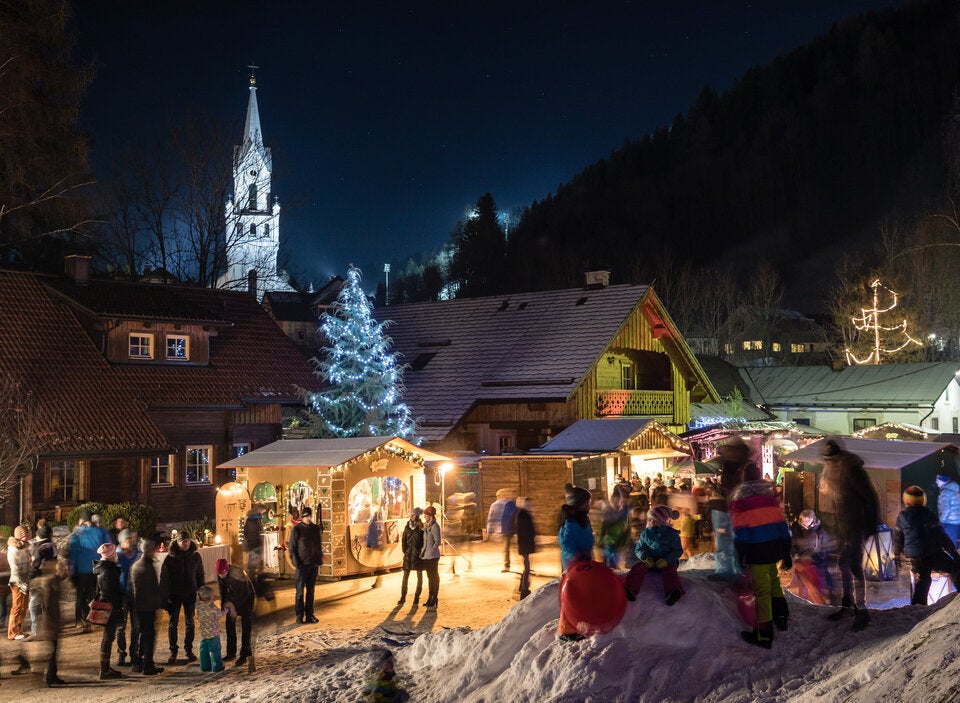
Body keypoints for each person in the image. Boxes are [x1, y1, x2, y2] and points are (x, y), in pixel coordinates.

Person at [819, 438, 879, 631]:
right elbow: (831, 501)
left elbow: (870, 498)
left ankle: (861, 609)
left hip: (856, 523)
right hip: (842, 526)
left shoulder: (852, 471)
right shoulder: (831, 472)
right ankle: (848, 603)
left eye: (832, 459)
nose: (829, 462)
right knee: (842, 564)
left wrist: (871, 525)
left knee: (853, 565)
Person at [729, 480, 792, 648]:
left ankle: (764, 635)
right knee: (774, 584)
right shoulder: (772, 505)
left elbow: (740, 537)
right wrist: (786, 555)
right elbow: (784, 531)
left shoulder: (741, 507)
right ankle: (781, 618)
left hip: (756, 554)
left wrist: (739, 558)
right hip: (774, 552)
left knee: (762, 593)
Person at [893, 486, 960, 606]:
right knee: (955, 567)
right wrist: (953, 552)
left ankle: (918, 608)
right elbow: (941, 535)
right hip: (934, 554)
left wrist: (896, 555)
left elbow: (898, 539)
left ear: (906, 501)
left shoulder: (902, 517)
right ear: (923, 500)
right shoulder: (929, 514)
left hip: (917, 558)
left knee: (922, 583)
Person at [712, 437, 762, 580]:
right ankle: (725, 572)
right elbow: (726, 489)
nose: (728, 454)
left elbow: (753, 491)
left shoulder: (748, 468)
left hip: (741, 511)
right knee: (725, 541)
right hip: (728, 510)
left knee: (739, 542)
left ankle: (741, 574)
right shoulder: (728, 466)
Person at [624, 505, 684, 606]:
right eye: (649, 519)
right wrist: (645, 557)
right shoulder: (645, 533)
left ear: (661, 521)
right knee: (638, 567)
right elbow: (639, 548)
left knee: (670, 572)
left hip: (667, 562)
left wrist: (667, 560)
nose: (650, 521)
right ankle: (631, 588)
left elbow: (677, 550)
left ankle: (673, 592)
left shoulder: (672, 534)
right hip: (650, 562)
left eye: (654, 519)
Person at [159, 533, 205, 663]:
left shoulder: (195, 557)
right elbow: (164, 578)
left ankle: (188, 649)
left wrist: (202, 591)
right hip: (174, 594)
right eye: (183, 542)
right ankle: (173, 650)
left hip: (190, 593)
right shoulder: (170, 558)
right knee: (173, 623)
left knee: (190, 621)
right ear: (177, 543)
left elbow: (200, 574)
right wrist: (164, 596)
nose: (185, 544)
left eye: (187, 541)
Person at [557, 486, 594, 642]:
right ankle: (566, 630)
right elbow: (566, 542)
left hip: (583, 561)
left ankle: (578, 624)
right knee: (572, 596)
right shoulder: (571, 521)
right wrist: (577, 556)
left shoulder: (582, 518)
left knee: (582, 595)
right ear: (578, 504)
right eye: (586, 503)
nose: (589, 505)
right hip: (573, 563)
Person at [67, 512, 110, 629]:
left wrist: (71, 569)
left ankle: (79, 620)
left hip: (81, 569)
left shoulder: (78, 533)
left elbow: (73, 552)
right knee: (94, 594)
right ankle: (92, 618)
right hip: (97, 568)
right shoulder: (101, 531)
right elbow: (109, 547)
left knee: (80, 595)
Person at [129, 539, 164, 675]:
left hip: (141, 607)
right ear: (149, 551)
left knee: (144, 635)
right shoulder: (144, 567)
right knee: (148, 635)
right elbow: (150, 589)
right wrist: (156, 604)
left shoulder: (139, 565)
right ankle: (147, 664)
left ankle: (140, 662)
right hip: (146, 607)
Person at [215, 557, 255, 666]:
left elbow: (243, 594)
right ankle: (231, 653)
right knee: (229, 626)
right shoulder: (220, 574)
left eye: (223, 573)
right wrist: (223, 606)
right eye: (219, 574)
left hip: (246, 600)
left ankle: (245, 654)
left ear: (227, 569)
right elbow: (222, 591)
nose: (221, 576)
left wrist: (233, 608)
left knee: (246, 628)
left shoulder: (237, 574)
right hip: (232, 600)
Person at [93, 542, 124, 679]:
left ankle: (105, 667)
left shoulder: (102, 568)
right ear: (111, 555)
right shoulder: (108, 570)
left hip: (107, 606)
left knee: (108, 637)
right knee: (108, 637)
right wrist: (117, 605)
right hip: (110, 607)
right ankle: (104, 669)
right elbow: (110, 591)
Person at [791, 509, 833, 605]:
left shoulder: (819, 531)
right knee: (802, 581)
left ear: (812, 520)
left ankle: (820, 600)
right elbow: (794, 543)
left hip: (816, 559)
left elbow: (825, 546)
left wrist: (819, 557)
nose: (805, 523)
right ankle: (803, 601)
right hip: (802, 559)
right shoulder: (798, 530)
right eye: (803, 520)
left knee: (818, 581)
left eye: (807, 520)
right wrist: (795, 554)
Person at [288, 505, 322, 624]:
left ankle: (310, 614)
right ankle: (299, 615)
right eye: (305, 516)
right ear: (302, 517)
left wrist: (319, 560)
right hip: (301, 566)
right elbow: (292, 548)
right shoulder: (296, 529)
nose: (307, 518)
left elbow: (318, 545)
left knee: (311, 591)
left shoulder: (315, 528)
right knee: (300, 592)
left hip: (312, 565)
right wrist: (297, 563)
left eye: (309, 516)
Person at [116, 531, 141, 667]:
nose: (131, 541)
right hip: (121, 595)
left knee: (136, 626)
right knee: (120, 627)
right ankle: (121, 653)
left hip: (136, 595)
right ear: (121, 541)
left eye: (132, 539)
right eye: (128, 539)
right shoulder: (116, 556)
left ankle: (134, 652)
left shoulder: (138, 555)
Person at [27, 524, 57, 640]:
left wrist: (29, 579)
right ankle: (47, 630)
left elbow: (36, 566)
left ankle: (35, 632)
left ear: (39, 535)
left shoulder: (42, 548)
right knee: (46, 606)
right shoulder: (52, 545)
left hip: (40, 580)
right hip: (51, 580)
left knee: (33, 605)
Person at [194, 585, 227, 673]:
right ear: (209, 597)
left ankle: (205, 666)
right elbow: (220, 614)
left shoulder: (199, 607)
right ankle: (217, 666)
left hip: (204, 632)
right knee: (215, 649)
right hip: (213, 633)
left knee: (204, 650)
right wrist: (226, 610)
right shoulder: (212, 607)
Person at [7, 525, 30, 641]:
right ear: (21, 535)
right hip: (17, 582)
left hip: (25, 580)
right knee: (17, 607)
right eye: (27, 533)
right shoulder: (14, 550)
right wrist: (22, 583)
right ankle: (12, 633)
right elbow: (15, 568)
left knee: (24, 607)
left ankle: (19, 630)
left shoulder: (24, 547)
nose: (30, 535)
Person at [486, 489, 518, 572]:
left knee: (506, 547)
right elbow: (516, 514)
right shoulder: (511, 504)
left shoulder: (495, 505)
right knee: (511, 547)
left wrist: (489, 530)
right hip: (511, 528)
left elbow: (491, 517)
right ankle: (524, 564)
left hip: (505, 528)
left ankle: (507, 565)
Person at [397, 508, 424, 607]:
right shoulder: (407, 526)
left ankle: (417, 597)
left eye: (413, 514)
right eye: (410, 514)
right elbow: (403, 540)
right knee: (405, 578)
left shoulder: (421, 527)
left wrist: (420, 552)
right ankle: (403, 597)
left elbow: (423, 542)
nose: (411, 516)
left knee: (419, 577)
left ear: (417, 516)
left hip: (418, 556)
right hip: (408, 556)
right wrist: (406, 551)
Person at [599, 485, 630, 569]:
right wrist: (601, 542)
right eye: (618, 499)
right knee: (611, 566)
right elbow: (604, 527)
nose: (620, 502)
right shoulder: (609, 512)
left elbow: (626, 527)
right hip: (611, 543)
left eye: (621, 500)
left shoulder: (623, 510)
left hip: (617, 543)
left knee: (613, 565)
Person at [420, 506, 441, 609]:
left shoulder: (435, 527)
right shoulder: (427, 527)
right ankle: (430, 597)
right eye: (425, 515)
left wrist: (432, 550)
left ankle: (434, 597)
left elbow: (438, 541)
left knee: (434, 577)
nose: (425, 516)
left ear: (431, 516)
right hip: (426, 556)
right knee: (429, 577)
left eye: (427, 515)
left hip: (433, 556)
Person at [515, 497, 536, 600]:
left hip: (525, 545)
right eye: (528, 504)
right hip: (525, 545)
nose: (530, 506)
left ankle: (522, 587)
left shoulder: (524, 514)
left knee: (526, 567)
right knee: (527, 568)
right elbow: (525, 532)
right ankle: (524, 590)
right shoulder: (523, 515)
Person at [243, 507, 266, 597]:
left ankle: (250, 585)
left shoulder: (248, 521)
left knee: (252, 567)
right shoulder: (257, 521)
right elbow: (261, 530)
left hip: (251, 546)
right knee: (259, 566)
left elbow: (245, 533)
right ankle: (258, 587)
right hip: (257, 545)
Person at [936, 474, 960, 546]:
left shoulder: (946, 492)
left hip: (949, 522)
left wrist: (941, 521)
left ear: (943, 481)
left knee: (950, 544)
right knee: (953, 543)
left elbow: (946, 509)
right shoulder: (954, 490)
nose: (936, 482)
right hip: (955, 520)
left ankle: (952, 557)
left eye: (938, 480)